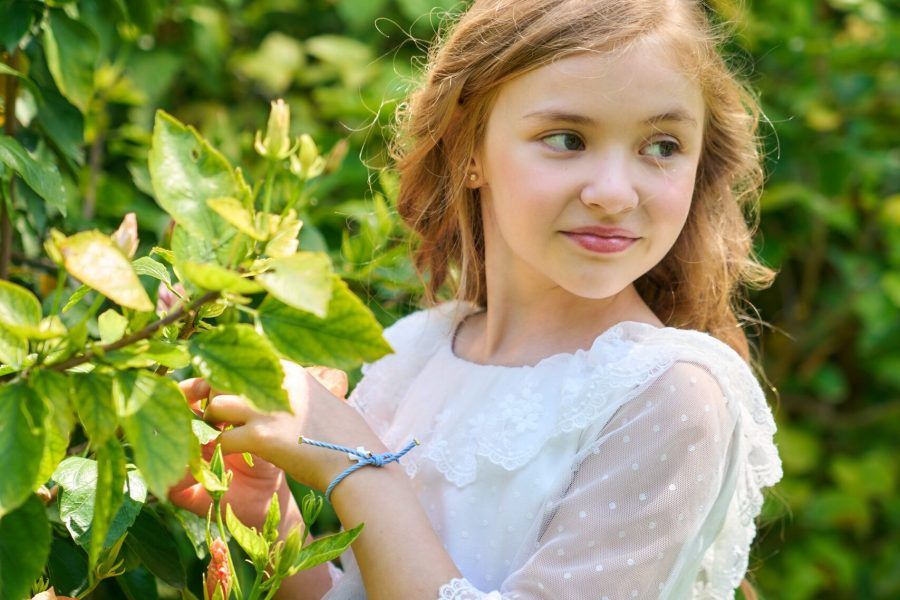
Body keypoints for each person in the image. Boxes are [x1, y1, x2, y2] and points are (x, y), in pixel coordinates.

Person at [170, 0, 784, 598]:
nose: (614, 192)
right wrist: (264, 511)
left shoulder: (670, 396)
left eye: (663, 147)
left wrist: (356, 465)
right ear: (469, 151)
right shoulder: (415, 351)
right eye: (568, 139)